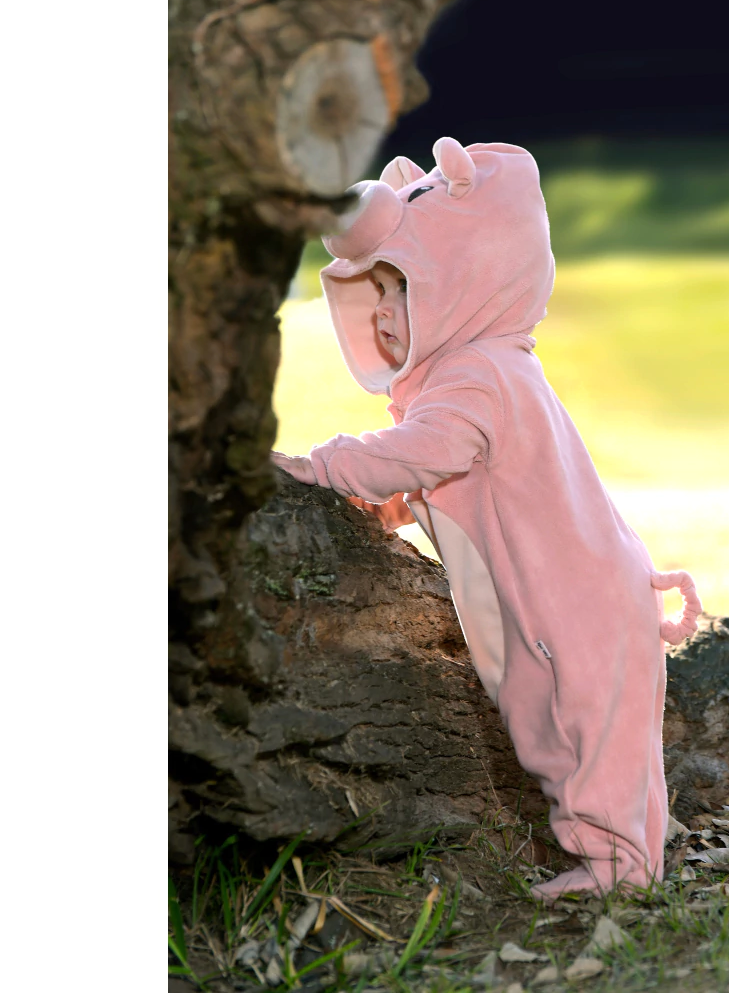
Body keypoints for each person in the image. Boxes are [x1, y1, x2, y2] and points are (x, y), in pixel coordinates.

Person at [271, 137, 701, 902]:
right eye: (379, 291)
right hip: (577, 597)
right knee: (564, 732)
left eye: (405, 289)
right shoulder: (481, 372)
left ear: (468, 283)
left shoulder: (479, 376)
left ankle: (620, 868)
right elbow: (457, 477)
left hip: (578, 605)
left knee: (586, 737)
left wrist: (321, 467)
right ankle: (628, 848)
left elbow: (425, 452)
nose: (385, 312)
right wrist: (396, 504)